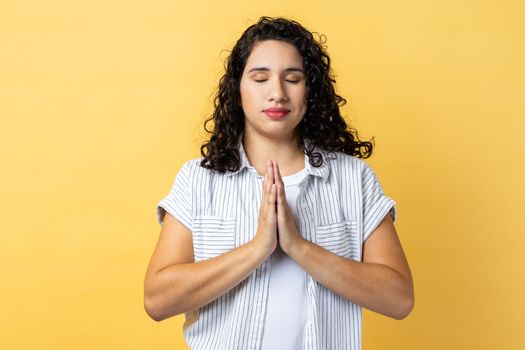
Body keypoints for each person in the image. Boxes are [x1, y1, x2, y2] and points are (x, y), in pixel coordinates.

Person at [144, 16, 414, 350]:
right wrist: (258, 249)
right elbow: (157, 301)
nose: (277, 93)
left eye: (293, 78)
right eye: (260, 78)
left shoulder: (353, 179)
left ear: (310, 90)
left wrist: (299, 247)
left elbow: (399, 299)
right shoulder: (198, 180)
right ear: (237, 91)